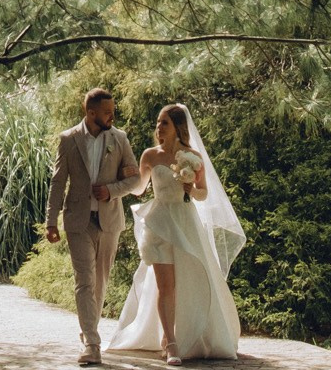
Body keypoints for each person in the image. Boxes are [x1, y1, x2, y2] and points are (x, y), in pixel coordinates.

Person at [105, 103, 245, 363]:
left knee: (187, 281)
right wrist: (122, 177)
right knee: (165, 285)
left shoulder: (192, 156)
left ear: (178, 127)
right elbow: (138, 188)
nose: (159, 127)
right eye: (158, 122)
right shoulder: (150, 155)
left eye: (164, 123)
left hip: (185, 223)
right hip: (158, 223)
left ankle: (190, 333)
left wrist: (190, 187)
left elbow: (203, 194)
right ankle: (171, 343)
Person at [46, 88, 144, 365]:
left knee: (99, 283)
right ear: (91, 113)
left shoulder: (120, 138)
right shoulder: (68, 139)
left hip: (109, 220)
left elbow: (135, 179)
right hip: (78, 220)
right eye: (107, 111)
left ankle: (89, 331)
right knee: (85, 282)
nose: (112, 115)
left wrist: (111, 191)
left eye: (112, 111)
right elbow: (57, 182)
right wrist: (51, 221)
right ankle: (92, 343)